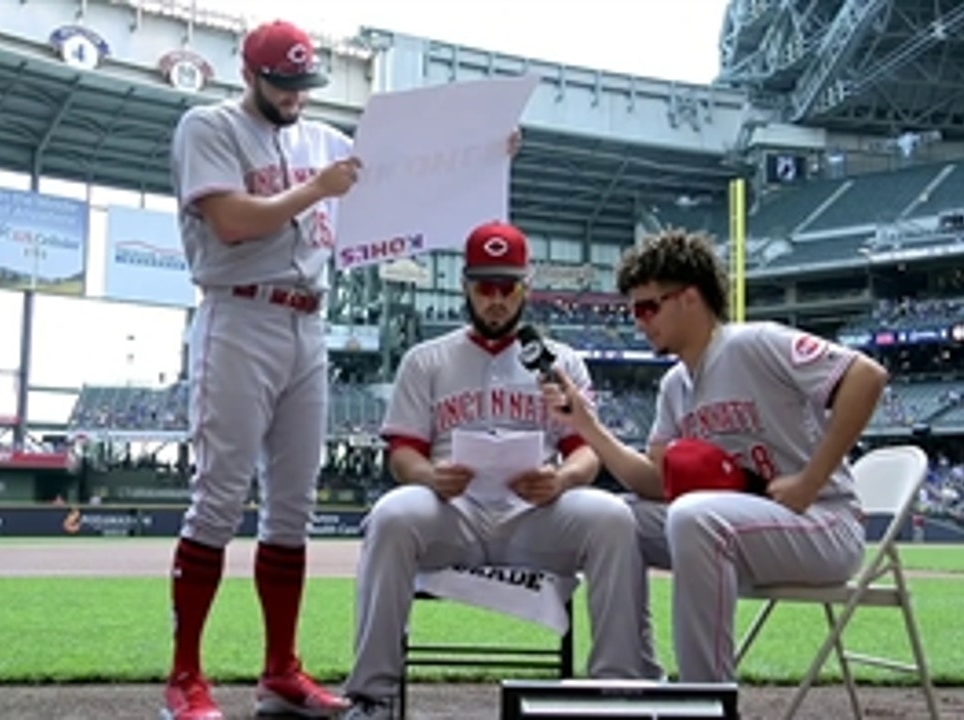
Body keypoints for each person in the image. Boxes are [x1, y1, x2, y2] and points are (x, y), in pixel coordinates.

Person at [164, 18, 518, 719]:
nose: (296, 95)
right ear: (250, 74)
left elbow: (408, 182)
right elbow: (232, 220)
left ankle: (280, 674)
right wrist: (315, 190)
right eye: (282, 81)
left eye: (303, 83)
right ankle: (184, 680)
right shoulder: (208, 126)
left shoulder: (323, 139)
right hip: (238, 314)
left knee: (293, 507)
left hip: (307, 321)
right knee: (220, 497)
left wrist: (485, 155)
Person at [540, 228, 890, 683]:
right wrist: (586, 424)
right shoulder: (675, 386)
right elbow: (654, 482)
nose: (639, 322)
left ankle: (705, 701)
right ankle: (626, 680)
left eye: (648, 307)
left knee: (694, 517)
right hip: (745, 524)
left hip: (823, 522)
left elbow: (867, 376)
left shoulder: (753, 343)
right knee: (613, 516)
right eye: (633, 311)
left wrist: (808, 482)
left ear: (689, 298)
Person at [342, 221, 650, 718]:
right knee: (392, 515)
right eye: (486, 286)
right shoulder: (426, 360)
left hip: (536, 515)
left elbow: (586, 450)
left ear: (525, 287)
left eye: (508, 286)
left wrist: (564, 479)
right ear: (466, 286)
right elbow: (401, 452)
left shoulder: (560, 362)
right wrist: (428, 476)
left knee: (613, 518)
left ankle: (616, 692)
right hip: (450, 511)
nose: (497, 298)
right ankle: (373, 696)